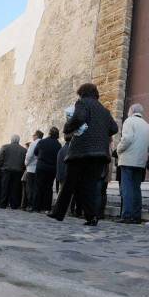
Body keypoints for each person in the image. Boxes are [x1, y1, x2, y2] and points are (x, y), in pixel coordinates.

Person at [49, 83, 118, 225]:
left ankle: (58, 213)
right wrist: (100, 132)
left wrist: (67, 127)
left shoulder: (82, 103)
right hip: (100, 154)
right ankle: (92, 217)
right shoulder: (104, 110)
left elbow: (79, 118)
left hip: (82, 151)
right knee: (90, 186)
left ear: (82, 93)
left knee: (69, 182)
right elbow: (114, 128)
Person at [116, 103, 149, 224]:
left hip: (127, 159)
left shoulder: (129, 121)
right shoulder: (147, 125)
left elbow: (127, 139)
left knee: (127, 188)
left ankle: (127, 215)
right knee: (136, 188)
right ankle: (136, 216)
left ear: (131, 110)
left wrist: (118, 149)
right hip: (140, 161)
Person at [33, 127, 62, 213]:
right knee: (48, 188)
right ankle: (46, 208)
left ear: (49, 133)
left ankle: (36, 207)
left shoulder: (42, 142)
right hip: (52, 169)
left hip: (41, 167)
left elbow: (35, 152)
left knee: (38, 187)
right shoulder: (58, 145)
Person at [0, 135, 26, 209]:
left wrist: (0, 167)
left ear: (11, 140)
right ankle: (14, 205)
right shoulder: (23, 150)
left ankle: (3, 204)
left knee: (5, 187)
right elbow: (24, 162)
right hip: (18, 171)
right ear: (18, 140)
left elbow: (0, 158)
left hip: (6, 170)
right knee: (15, 188)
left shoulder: (5, 147)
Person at [24, 131, 44, 211]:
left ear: (36, 136)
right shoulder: (43, 143)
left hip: (31, 168)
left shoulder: (33, 143)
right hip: (39, 168)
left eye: (33, 135)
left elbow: (29, 155)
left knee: (30, 188)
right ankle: (36, 206)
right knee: (37, 188)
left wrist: (26, 163)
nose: (33, 136)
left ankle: (30, 205)